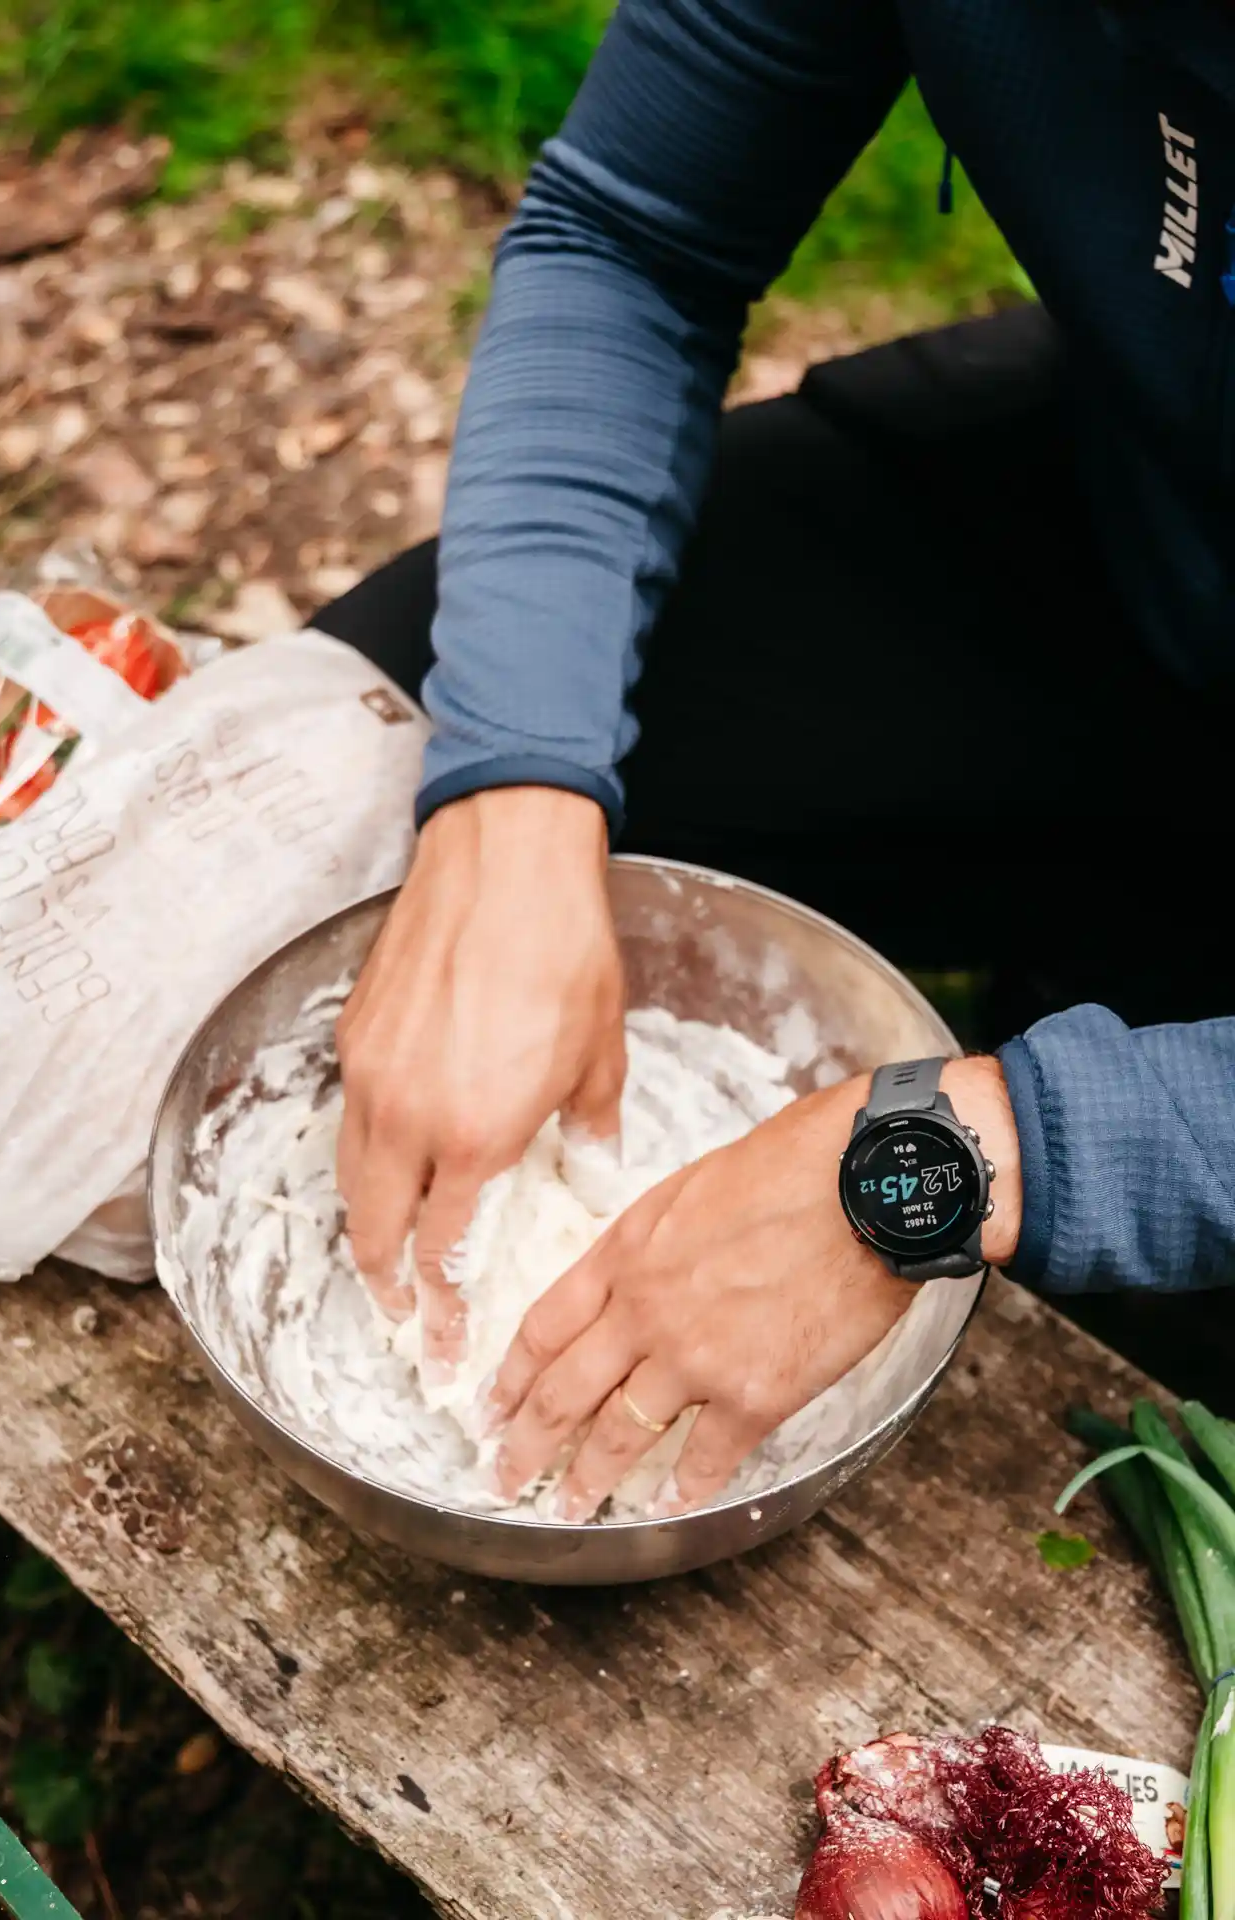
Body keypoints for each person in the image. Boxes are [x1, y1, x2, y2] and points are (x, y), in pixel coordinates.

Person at [314, 0, 1235, 1520]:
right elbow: (630, 235)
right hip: (1133, 522)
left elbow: (960, 1160)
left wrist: (965, 1155)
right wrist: (512, 797)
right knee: (386, 722)